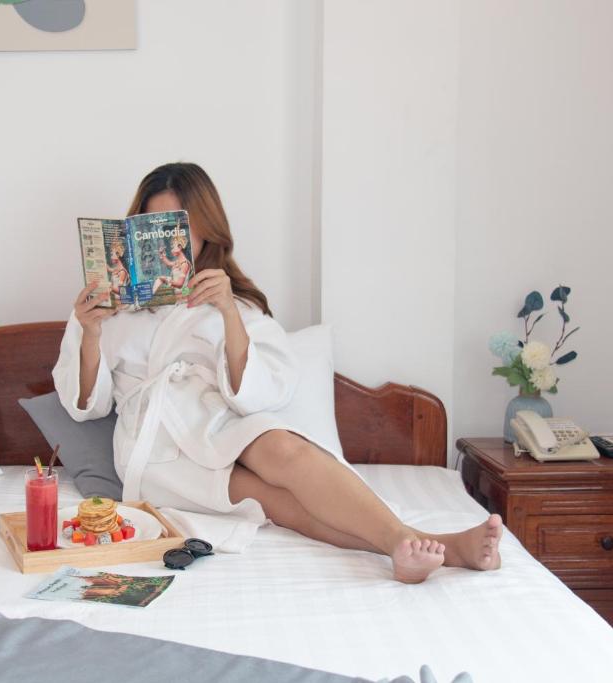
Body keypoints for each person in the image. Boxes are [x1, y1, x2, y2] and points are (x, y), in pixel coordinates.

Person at [53, 162, 502, 583]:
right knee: (274, 501)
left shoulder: (236, 302)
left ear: (206, 230)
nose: (170, 243)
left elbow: (262, 393)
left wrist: (227, 311)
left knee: (285, 448)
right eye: (154, 227)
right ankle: (428, 546)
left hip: (220, 422)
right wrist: (91, 331)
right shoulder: (103, 306)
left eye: (180, 228)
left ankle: (406, 542)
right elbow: (87, 408)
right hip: (158, 451)